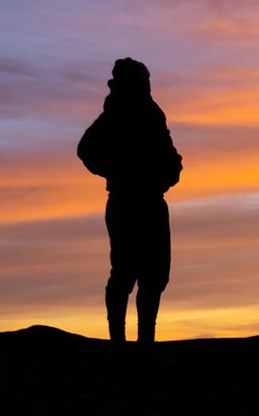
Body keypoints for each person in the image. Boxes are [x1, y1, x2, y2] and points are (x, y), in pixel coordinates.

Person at [77, 58, 182, 344]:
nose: (146, 85)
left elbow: (167, 150)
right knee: (124, 273)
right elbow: (86, 150)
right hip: (125, 201)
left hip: (152, 201)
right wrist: (116, 171)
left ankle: (145, 345)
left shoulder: (152, 113)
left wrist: (172, 169)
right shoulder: (114, 113)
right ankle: (118, 345)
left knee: (155, 274)